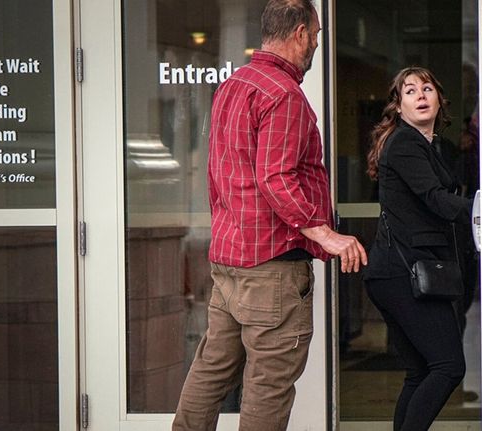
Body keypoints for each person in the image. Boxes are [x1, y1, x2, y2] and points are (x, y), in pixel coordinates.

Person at [172, 1, 367, 430]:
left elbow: (225, 172)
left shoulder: (233, 85)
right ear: (299, 33)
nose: (317, 41)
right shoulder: (283, 94)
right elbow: (276, 178)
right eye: (316, 33)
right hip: (272, 267)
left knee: (210, 370)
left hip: (230, 260)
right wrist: (328, 236)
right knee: (268, 386)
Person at [363, 67, 473, 431]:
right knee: (448, 366)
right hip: (402, 272)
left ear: (439, 98)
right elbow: (436, 200)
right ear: (398, 106)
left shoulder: (428, 145)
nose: (421, 95)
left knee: (420, 371)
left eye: (427, 88)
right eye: (410, 91)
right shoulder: (407, 143)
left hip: (395, 271)